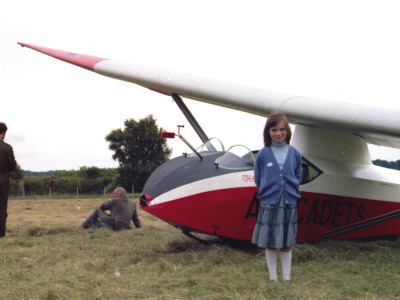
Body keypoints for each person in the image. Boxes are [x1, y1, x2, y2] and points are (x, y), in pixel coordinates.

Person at [252, 111, 302, 282]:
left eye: (282, 130)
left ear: (287, 131)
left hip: (288, 203)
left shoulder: (295, 154)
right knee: (271, 242)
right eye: (274, 130)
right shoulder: (263, 154)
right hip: (269, 203)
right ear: (268, 132)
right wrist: (268, 192)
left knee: (286, 243)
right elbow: (258, 178)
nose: (278, 133)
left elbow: (297, 176)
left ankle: (287, 278)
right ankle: (273, 277)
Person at [0, 122, 17, 238]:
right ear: (4, 133)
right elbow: (12, 166)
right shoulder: (7, 148)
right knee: (1, 208)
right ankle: (1, 233)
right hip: (2, 181)